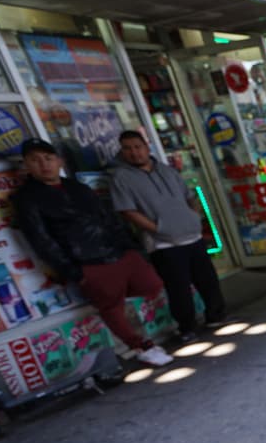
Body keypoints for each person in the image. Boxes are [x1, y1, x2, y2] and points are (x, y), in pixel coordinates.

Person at [13, 138, 174, 367]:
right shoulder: (27, 198)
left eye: (48, 158)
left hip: (118, 251)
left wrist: (130, 246)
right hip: (88, 262)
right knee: (111, 308)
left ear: (59, 161)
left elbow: (107, 218)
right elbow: (41, 240)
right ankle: (142, 347)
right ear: (27, 165)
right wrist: (75, 272)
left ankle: (121, 303)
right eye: (35, 160)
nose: (43, 164)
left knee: (153, 284)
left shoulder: (78, 188)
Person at [108, 130, 228, 343]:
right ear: (122, 151)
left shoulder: (166, 170)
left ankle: (216, 316)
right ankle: (187, 327)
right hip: (164, 244)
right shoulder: (121, 178)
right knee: (178, 287)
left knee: (207, 280)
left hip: (192, 235)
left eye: (138, 146)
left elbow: (189, 196)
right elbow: (127, 210)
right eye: (128, 148)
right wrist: (157, 228)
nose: (134, 152)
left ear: (147, 146)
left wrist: (194, 217)